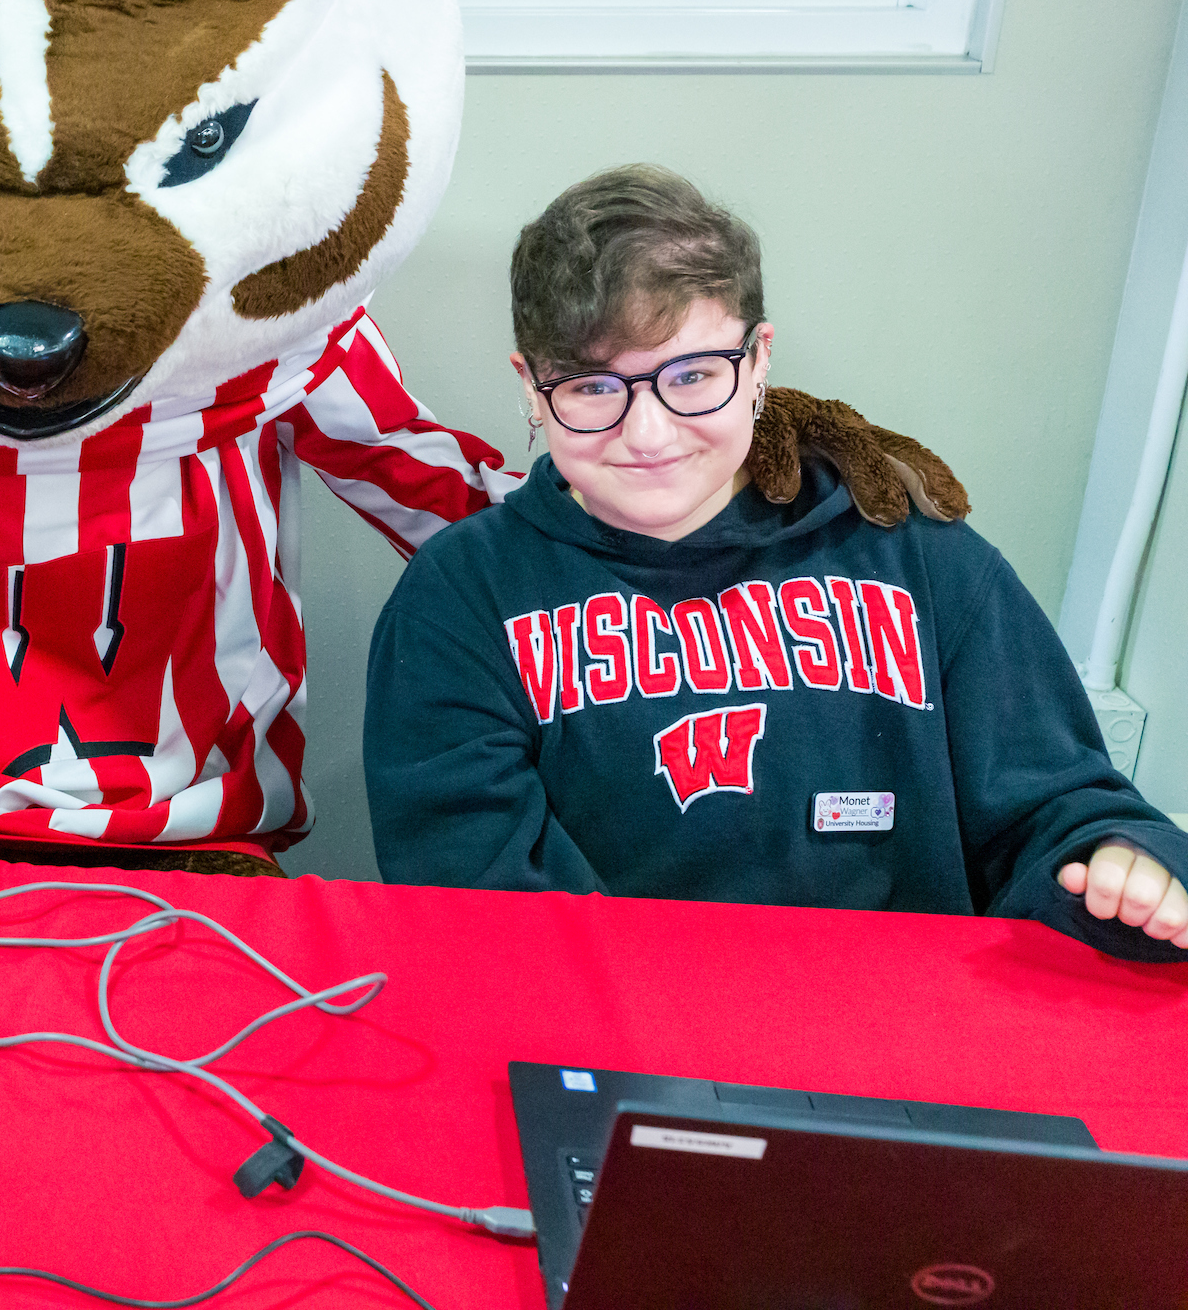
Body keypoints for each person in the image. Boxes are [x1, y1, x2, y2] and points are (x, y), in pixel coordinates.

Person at [363, 164, 1188, 958]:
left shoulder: (922, 560)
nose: (648, 435)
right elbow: (476, 907)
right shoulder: (457, 602)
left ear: (759, 361)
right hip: (611, 1049)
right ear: (532, 387)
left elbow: (1059, 813)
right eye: (589, 388)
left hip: (907, 1050)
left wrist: (1123, 866)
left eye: (692, 376)